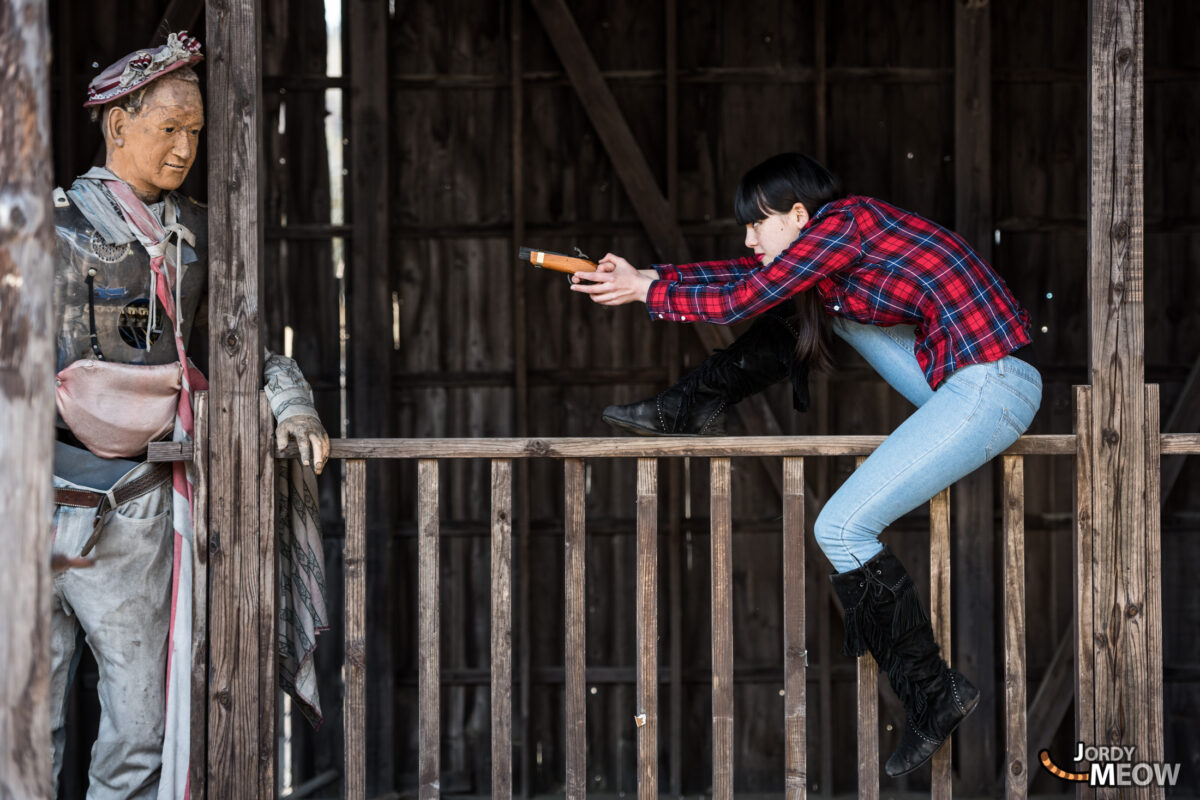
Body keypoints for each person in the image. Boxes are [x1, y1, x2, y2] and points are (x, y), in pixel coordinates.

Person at [571, 152, 1041, 777]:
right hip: (954, 377)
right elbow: (743, 273)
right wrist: (649, 275)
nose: (748, 237)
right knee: (810, 304)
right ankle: (691, 406)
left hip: (991, 384)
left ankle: (933, 693)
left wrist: (647, 292)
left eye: (756, 223)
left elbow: (748, 294)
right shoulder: (823, 252)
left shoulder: (845, 223)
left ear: (798, 215)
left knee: (841, 528)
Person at [49, 33, 330, 798]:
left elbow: (241, 348)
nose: (183, 148)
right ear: (117, 124)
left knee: (137, 729)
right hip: (29, 509)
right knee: (21, 729)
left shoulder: (200, 236)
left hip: (135, 509)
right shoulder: (48, 227)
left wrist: (290, 399)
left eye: (195, 132)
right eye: (167, 128)